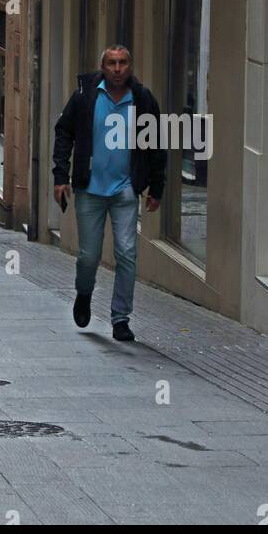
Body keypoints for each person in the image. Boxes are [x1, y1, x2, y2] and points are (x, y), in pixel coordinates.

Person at [53, 45, 165, 343]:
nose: (118, 68)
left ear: (131, 66)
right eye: (112, 63)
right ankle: (84, 293)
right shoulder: (85, 96)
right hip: (90, 189)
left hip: (125, 190)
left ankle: (120, 319)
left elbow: (156, 145)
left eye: (123, 63)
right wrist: (60, 176)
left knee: (127, 253)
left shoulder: (142, 100)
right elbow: (64, 132)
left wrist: (157, 188)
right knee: (89, 256)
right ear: (102, 66)